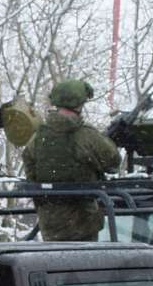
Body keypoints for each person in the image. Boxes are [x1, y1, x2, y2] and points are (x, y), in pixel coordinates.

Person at [22, 78, 120, 242]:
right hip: (83, 223)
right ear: (80, 104)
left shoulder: (38, 137)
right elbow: (113, 161)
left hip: (50, 224)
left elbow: (30, 171)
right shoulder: (86, 135)